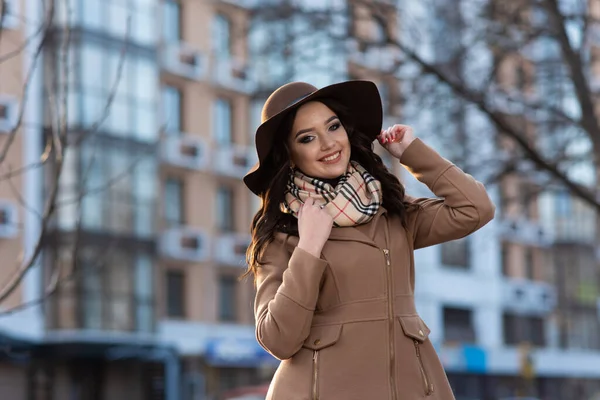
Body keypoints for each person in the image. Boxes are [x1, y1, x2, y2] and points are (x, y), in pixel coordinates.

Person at [242, 80, 495, 400]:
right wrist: (308, 248)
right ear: (290, 155)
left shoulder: (391, 211)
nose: (328, 143)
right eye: (307, 138)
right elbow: (277, 339)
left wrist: (414, 154)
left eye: (333, 127)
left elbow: (476, 209)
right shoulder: (281, 235)